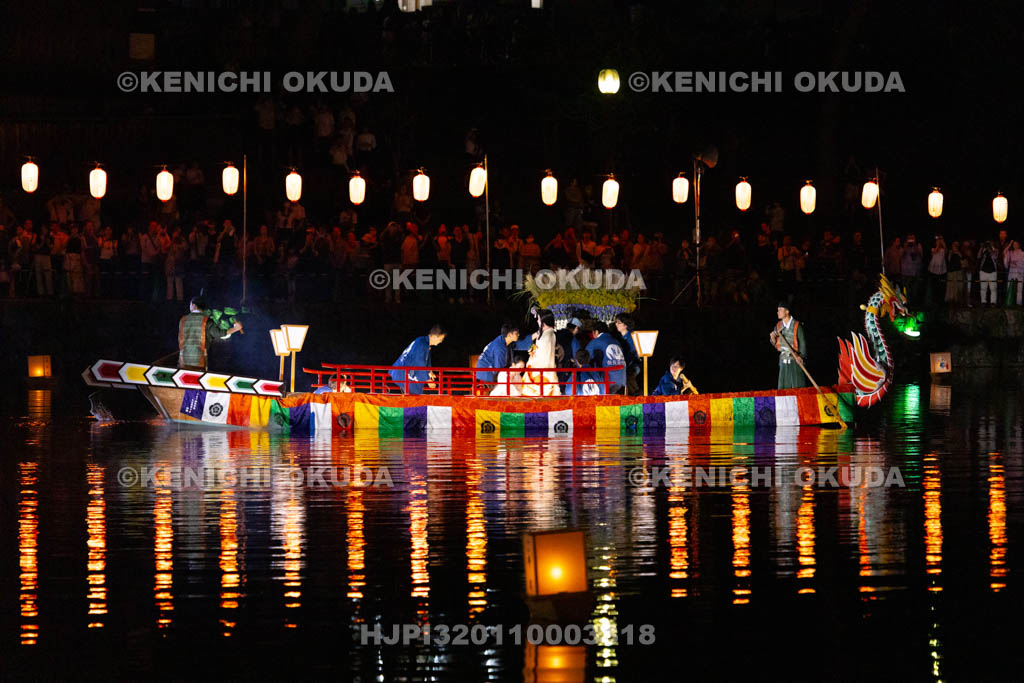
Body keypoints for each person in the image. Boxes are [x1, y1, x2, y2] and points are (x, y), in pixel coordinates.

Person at [178, 296, 243, 370]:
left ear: (193, 305)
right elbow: (220, 333)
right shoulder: (206, 321)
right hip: (199, 362)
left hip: (183, 360)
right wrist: (235, 329)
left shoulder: (183, 320)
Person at [389, 324, 446, 394]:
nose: (441, 341)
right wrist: (428, 380)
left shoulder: (423, 342)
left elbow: (426, 361)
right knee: (412, 399)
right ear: (434, 337)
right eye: (440, 339)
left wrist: (429, 371)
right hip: (402, 374)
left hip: (401, 373)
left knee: (412, 397)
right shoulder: (422, 344)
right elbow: (419, 362)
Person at [522, 310, 561, 396]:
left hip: (542, 371)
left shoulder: (546, 336)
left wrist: (532, 359)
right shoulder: (550, 334)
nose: (537, 321)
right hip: (548, 369)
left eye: (539, 319)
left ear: (544, 321)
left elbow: (543, 357)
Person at [769, 302, 807, 389]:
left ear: (787, 311)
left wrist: (801, 357)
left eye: (780, 310)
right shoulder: (778, 326)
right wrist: (773, 339)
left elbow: (802, 343)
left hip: (795, 358)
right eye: (778, 310)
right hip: (783, 360)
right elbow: (776, 344)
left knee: (798, 386)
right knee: (783, 388)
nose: (778, 312)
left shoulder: (797, 325)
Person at [584, 321, 627, 394]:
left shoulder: (595, 342)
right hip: (622, 379)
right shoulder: (616, 341)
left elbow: (584, 357)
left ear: (596, 332)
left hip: (607, 380)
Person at [614, 313, 641, 394]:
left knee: (628, 378)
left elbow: (632, 353)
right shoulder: (621, 337)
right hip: (626, 365)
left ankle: (638, 396)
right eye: (615, 322)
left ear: (625, 325)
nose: (616, 324)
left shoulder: (631, 337)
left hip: (633, 364)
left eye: (618, 323)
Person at [978, 241, 999, 305]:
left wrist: (990, 248)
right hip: (983, 272)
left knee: (993, 288)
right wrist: (982, 247)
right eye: (987, 244)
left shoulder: (995, 250)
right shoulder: (983, 250)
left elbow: (995, 256)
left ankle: (993, 302)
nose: (988, 245)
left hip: (992, 272)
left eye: (990, 243)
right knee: (983, 288)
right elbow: (978, 256)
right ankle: (983, 302)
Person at [1005, 240, 1024, 306]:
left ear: (1019, 245)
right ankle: (1009, 302)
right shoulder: (1010, 252)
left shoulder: (1022, 253)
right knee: (1009, 286)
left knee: (1019, 288)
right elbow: (1004, 252)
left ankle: (1019, 303)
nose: (1015, 245)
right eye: (1014, 244)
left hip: (1020, 272)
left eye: (1016, 244)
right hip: (1011, 272)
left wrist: (1017, 263)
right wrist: (1009, 244)